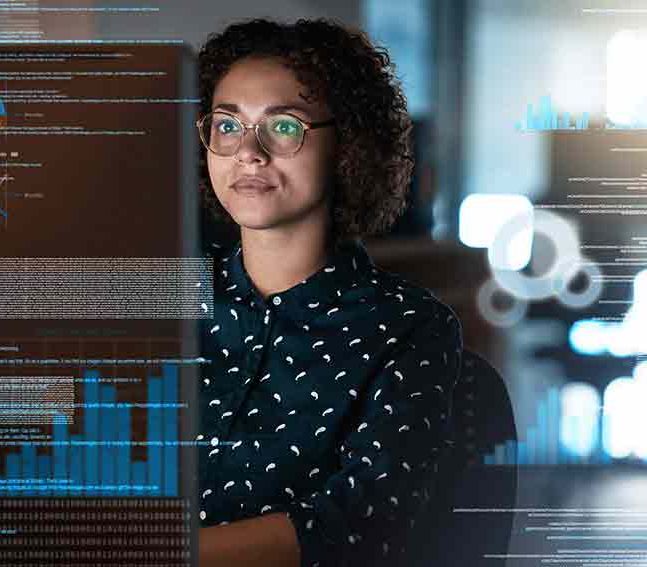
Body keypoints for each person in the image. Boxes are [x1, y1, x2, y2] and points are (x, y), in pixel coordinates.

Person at [195, 18, 463, 567]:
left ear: (347, 148)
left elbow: (355, 529)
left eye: (284, 127)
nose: (248, 152)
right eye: (227, 126)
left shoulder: (410, 326)